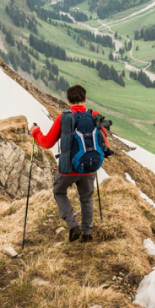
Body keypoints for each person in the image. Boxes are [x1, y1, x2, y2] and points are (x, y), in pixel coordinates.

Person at [29, 84, 105, 242]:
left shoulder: (64, 117)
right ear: (85, 99)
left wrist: (35, 132)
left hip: (68, 168)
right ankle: (87, 234)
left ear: (68, 100)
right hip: (89, 166)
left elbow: (47, 143)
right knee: (87, 198)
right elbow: (103, 139)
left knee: (59, 192)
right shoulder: (94, 115)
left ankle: (73, 226)